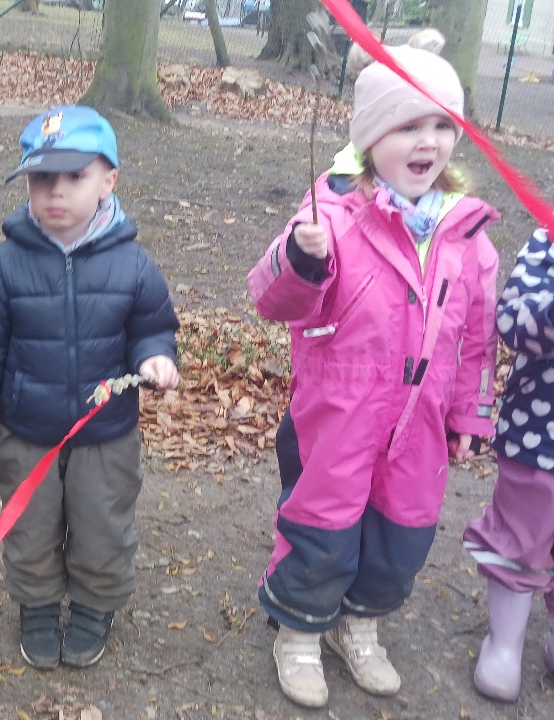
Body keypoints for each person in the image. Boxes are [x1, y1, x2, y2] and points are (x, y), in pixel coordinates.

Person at [247, 41, 499, 708]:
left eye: (442, 124)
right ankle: (300, 628)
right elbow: (274, 300)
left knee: (402, 530)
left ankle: (358, 624)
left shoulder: (467, 236)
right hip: (339, 413)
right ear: (370, 137)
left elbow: (477, 339)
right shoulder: (332, 215)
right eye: (409, 125)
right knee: (322, 521)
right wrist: (300, 260)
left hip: (420, 421)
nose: (429, 140)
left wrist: (470, 412)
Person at [0, 106, 180, 671]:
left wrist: (155, 357)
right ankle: (38, 605)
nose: (56, 190)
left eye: (75, 175)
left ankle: (95, 606)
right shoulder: (6, 265)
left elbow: (152, 327)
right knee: (30, 529)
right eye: (42, 177)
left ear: (108, 181)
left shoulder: (133, 265)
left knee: (102, 526)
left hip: (106, 436)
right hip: (27, 434)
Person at [463, 227, 554, 702]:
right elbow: (512, 320)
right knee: (522, 537)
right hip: (540, 437)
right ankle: (505, 645)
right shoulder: (549, 242)